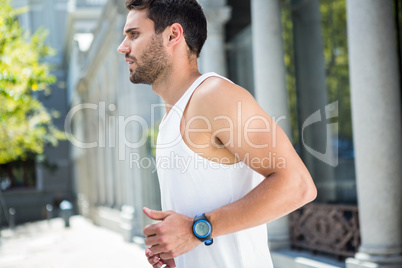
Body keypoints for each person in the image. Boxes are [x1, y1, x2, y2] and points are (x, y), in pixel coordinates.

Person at [117, 0, 317, 267]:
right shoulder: (169, 120)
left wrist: (195, 230)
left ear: (173, 35)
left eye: (134, 34)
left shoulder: (213, 95)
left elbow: (298, 185)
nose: (123, 47)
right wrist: (179, 248)